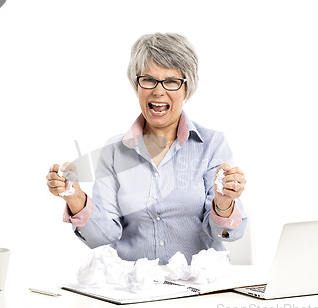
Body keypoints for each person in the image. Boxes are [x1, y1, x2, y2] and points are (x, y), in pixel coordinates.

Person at [46, 33, 247, 264]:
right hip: (136, 289)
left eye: (171, 81)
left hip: (197, 287)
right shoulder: (114, 153)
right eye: (148, 80)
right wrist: (76, 198)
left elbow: (227, 233)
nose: (158, 91)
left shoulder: (212, 145)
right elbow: (104, 237)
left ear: (186, 88)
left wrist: (223, 204)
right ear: (137, 84)